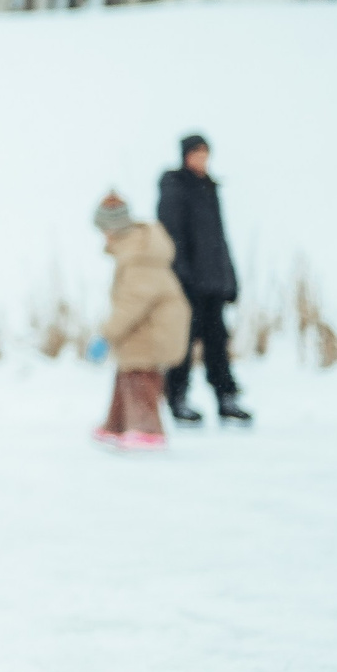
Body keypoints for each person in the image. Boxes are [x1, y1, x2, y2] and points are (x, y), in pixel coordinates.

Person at [156, 134, 250, 426]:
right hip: (187, 284)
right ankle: (178, 398)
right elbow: (171, 236)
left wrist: (229, 279)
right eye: (196, 153)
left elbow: (219, 240)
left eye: (205, 153)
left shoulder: (209, 188)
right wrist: (182, 276)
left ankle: (226, 398)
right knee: (182, 343)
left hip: (213, 284)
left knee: (217, 342)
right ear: (185, 155)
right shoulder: (175, 187)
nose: (202, 159)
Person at [91, 192, 192, 450]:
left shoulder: (139, 256)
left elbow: (132, 304)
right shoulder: (135, 250)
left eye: (103, 230)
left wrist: (107, 334)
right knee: (126, 371)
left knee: (139, 374)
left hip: (155, 328)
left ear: (112, 229)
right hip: (148, 326)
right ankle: (117, 425)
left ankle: (148, 429)